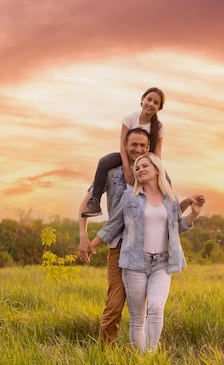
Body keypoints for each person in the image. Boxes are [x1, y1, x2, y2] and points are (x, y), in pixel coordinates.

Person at [79, 127, 200, 346]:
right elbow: (105, 216)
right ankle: (106, 353)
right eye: (133, 145)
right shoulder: (113, 174)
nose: (138, 150)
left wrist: (190, 209)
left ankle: (147, 357)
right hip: (121, 246)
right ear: (124, 146)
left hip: (156, 254)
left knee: (153, 308)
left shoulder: (162, 181)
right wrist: (85, 239)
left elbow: (170, 215)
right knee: (117, 305)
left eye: (143, 146)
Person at [82, 87, 166, 218]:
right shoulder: (130, 118)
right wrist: (127, 168)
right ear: (142, 99)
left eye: (156, 103)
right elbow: (122, 144)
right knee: (104, 161)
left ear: (159, 108)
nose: (151, 104)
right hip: (126, 156)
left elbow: (157, 152)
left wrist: (154, 171)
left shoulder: (158, 127)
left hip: (145, 159)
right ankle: (95, 201)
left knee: (163, 178)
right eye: (149, 99)